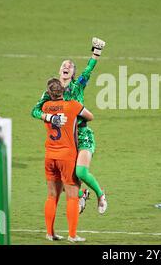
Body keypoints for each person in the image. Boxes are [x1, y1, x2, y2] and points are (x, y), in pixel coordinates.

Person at [31, 37, 107, 214]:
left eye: (70, 66)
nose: (66, 67)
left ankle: (100, 194)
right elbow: (34, 111)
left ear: (72, 73)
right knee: (62, 178)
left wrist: (96, 52)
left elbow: (88, 71)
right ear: (59, 70)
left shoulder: (77, 87)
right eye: (63, 65)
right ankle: (82, 194)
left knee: (80, 172)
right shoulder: (50, 92)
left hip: (82, 134)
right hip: (65, 139)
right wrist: (50, 118)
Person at [42, 78, 94, 243]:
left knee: (52, 196)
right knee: (72, 197)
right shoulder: (72, 105)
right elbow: (90, 116)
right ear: (63, 91)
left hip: (50, 155)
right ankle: (72, 235)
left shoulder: (45, 107)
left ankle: (50, 233)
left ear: (49, 93)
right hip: (67, 156)